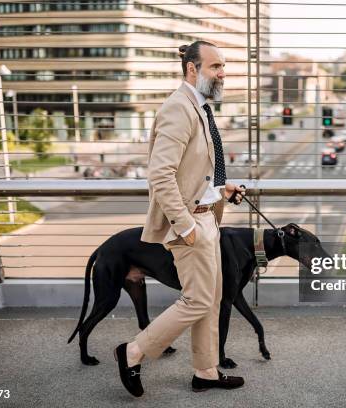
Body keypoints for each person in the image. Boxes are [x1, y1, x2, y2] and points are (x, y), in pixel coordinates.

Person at [113, 41, 246, 397]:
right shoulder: (178, 108)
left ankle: (205, 370)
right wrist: (184, 225)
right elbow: (160, 174)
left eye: (222, 66)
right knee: (198, 300)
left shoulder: (198, 106)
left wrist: (222, 188)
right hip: (189, 223)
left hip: (206, 217)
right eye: (216, 66)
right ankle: (133, 352)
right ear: (192, 69)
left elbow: (194, 170)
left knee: (211, 298)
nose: (222, 73)